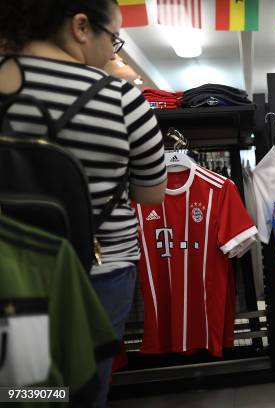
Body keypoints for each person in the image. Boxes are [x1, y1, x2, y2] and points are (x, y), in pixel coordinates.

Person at [0, 1, 167, 406]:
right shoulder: (122, 99)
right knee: (81, 386)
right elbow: (151, 192)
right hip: (97, 267)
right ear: (80, 27)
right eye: (113, 39)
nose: (113, 52)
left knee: (22, 388)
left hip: (9, 269)